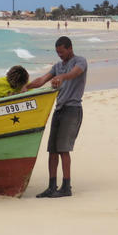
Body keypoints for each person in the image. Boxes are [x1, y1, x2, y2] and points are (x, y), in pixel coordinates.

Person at [25, 36, 87, 198]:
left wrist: (62, 77)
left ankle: (66, 187)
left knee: (63, 149)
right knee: (52, 150)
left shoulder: (80, 61)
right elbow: (42, 80)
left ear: (70, 48)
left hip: (72, 109)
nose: (60, 55)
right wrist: (27, 87)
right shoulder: (57, 66)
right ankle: (52, 186)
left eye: (62, 52)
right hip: (58, 110)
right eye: (57, 52)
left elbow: (75, 73)